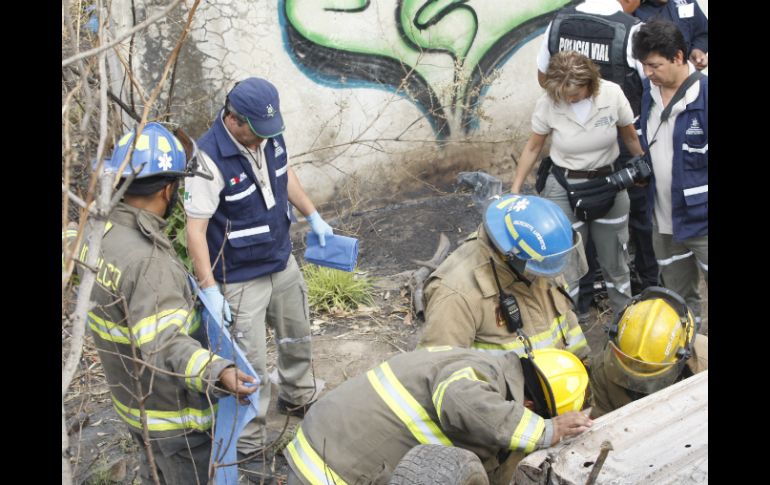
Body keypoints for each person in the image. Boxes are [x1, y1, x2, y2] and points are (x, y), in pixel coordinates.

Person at [73, 122, 257, 484]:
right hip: (173, 419)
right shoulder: (148, 263)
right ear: (169, 189)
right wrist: (219, 371)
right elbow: (165, 343)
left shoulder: (95, 233)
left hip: (134, 405)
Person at [184, 77, 334, 459]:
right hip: (237, 277)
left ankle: (299, 396)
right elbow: (196, 231)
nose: (266, 138)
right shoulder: (207, 158)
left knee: (297, 335)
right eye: (257, 131)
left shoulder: (268, 134)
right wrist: (210, 289)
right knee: (247, 364)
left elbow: (285, 175)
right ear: (233, 120)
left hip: (280, 261)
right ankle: (250, 443)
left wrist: (313, 215)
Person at [284, 346, 593, 485]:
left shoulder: (484, 366)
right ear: (528, 405)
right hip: (332, 469)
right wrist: (543, 431)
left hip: (322, 442)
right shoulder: (478, 375)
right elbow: (462, 400)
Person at [537, 0, 660, 316]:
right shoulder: (632, 30)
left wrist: (568, 109)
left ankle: (581, 301)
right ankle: (646, 289)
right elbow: (653, 87)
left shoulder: (559, 22)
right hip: (620, 141)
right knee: (634, 222)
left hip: (576, 152)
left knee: (579, 230)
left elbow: (542, 76)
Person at [511, 51, 645, 318]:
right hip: (565, 184)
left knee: (616, 263)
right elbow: (534, 146)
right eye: (563, 94)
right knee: (565, 263)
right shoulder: (549, 102)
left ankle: (625, 323)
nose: (568, 99)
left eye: (574, 93)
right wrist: (514, 188)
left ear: (590, 83)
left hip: (608, 182)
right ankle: (569, 327)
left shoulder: (611, 94)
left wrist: (642, 168)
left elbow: (629, 137)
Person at [419, 194, 590, 362]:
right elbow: (441, 372)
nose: (552, 274)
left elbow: (569, 327)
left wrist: (583, 367)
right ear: (512, 257)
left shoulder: (544, 261)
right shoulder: (456, 295)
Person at [632, 19, 708, 325]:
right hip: (663, 223)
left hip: (702, 221)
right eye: (644, 66)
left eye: (654, 65)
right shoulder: (649, 93)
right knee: (680, 302)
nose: (648, 73)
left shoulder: (704, 95)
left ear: (678, 57)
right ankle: (694, 360)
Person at [589, 286, 708, 418]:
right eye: (631, 374)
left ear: (683, 354)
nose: (640, 385)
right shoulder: (602, 371)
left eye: (651, 377)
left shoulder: (704, 358)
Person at [633, 0, 708, 70]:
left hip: (689, 74)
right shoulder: (633, 9)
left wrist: (697, 49)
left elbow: (703, 33)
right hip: (655, 77)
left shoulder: (686, 1)